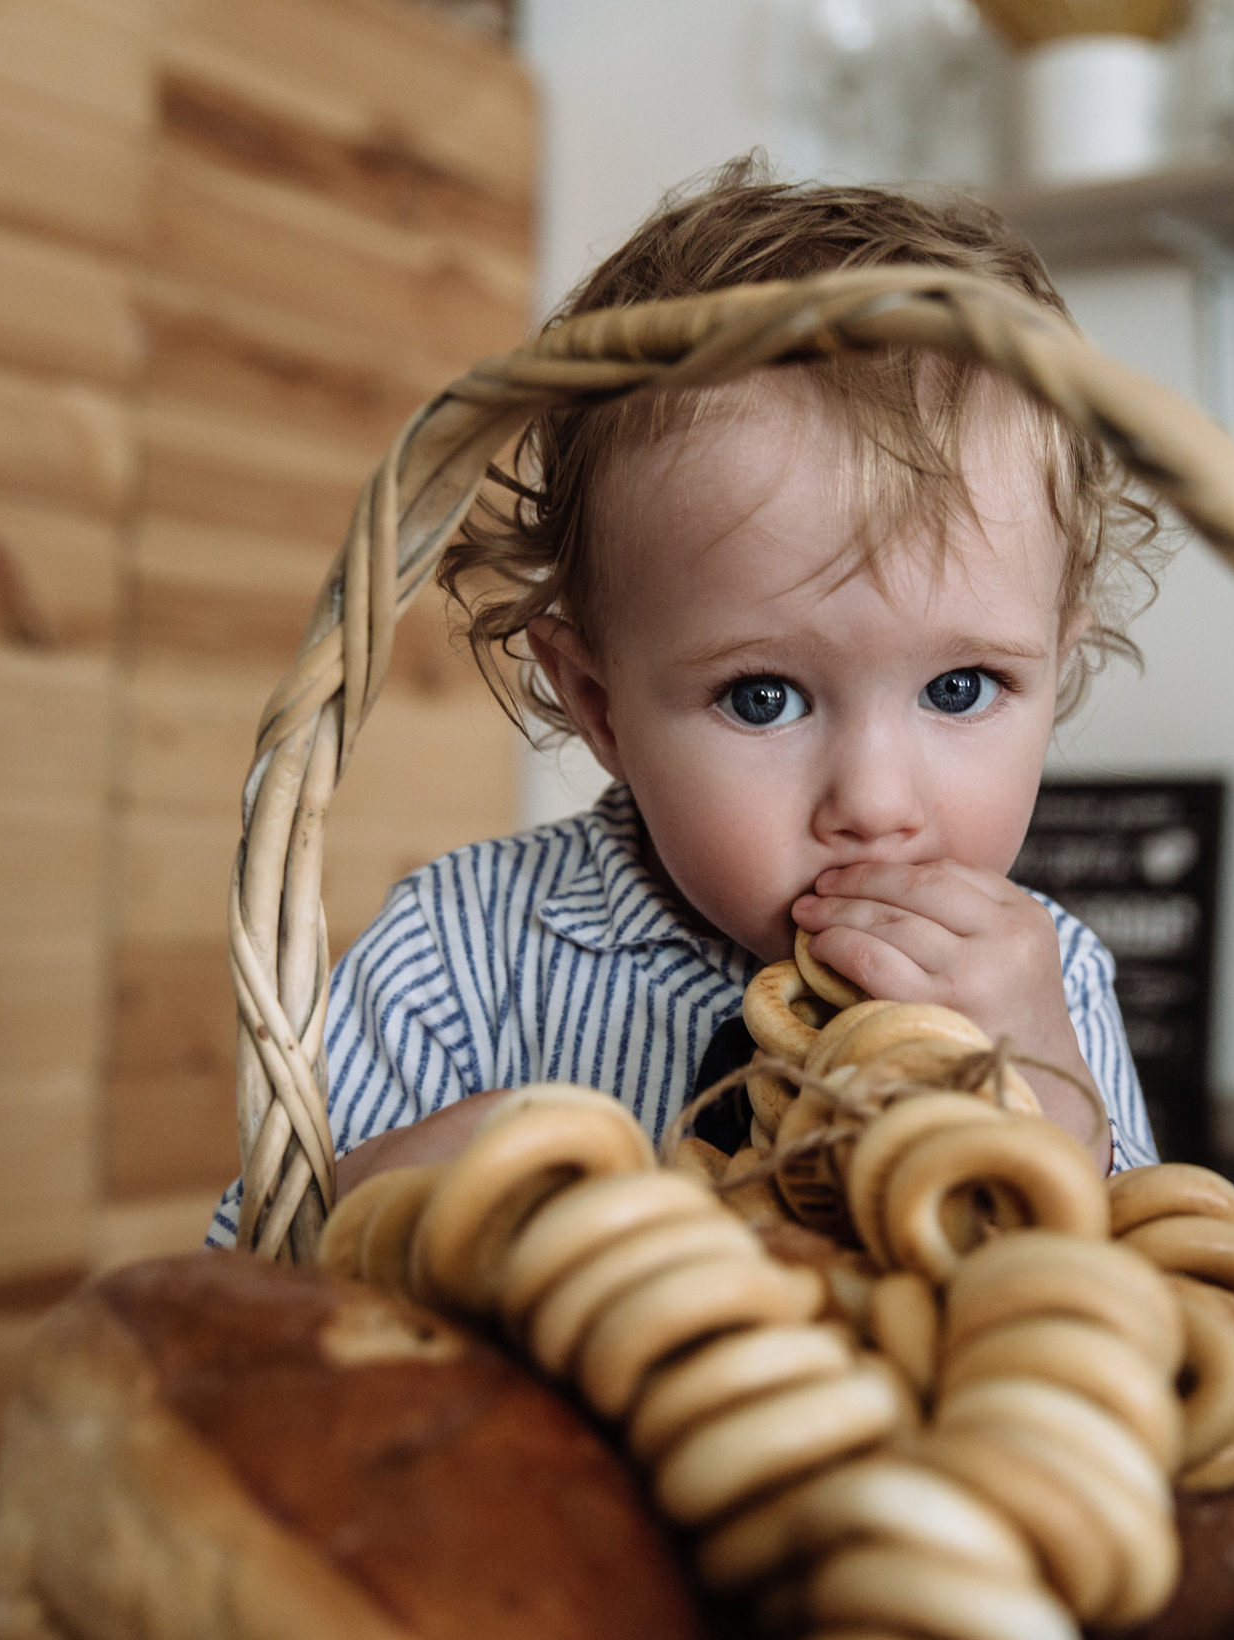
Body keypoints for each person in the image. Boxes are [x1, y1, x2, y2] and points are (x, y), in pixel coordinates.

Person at [208, 158, 1168, 1249]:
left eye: (960, 688)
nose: (874, 802)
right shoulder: (457, 955)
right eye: (762, 698)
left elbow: (1147, 1322)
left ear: (1055, 665)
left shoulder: (1047, 981)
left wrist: (1058, 1121)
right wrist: (387, 1203)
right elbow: (241, 1299)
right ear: (600, 706)